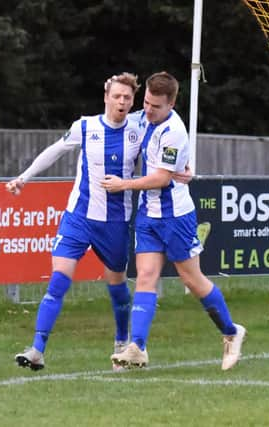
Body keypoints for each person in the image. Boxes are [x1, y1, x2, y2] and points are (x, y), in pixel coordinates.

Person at [102, 71, 246, 371]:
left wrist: (123, 184)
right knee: (145, 276)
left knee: (192, 280)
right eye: (146, 102)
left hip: (175, 217)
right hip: (148, 215)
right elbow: (115, 119)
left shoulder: (175, 133)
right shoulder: (142, 117)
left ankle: (231, 332)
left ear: (172, 103)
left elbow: (161, 178)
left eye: (156, 106)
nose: (148, 110)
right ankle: (137, 347)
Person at [7, 72, 145, 371]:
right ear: (106, 96)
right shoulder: (85, 126)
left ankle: (122, 343)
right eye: (117, 96)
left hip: (116, 223)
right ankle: (37, 349)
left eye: (127, 98)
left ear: (132, 102)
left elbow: (163, 136)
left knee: (117, 285)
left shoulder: (140, 127)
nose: (122, 101)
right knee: (59, 279)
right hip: (79, 217)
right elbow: (55, 150)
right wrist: (24, 178)